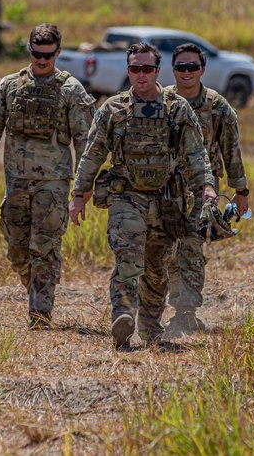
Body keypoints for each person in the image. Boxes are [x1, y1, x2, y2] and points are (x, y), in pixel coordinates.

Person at [69, 42, 216, 349]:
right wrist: (78, 193)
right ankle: (122, 315)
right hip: (127, 197)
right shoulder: (114, 109)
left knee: (157, 268)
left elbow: (195, 152)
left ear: (157, 71)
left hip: (166, 201)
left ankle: (150, 326)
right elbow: (93, 153)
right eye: (135, 69)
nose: (141, 75)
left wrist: (207, 186)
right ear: (129, 71)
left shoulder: (177, 108)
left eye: (147, 69)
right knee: (128, 257)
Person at [0, 23, 96, 329]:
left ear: (58, 52)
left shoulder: (70, 90)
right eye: (37, 53)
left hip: (54, 181)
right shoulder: (10, 86)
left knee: (44, 246)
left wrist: (83, 186)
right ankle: (38, 289)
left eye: (48, 55)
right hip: (17, 181)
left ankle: (40, 313)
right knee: (17, 249)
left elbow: (84, 141)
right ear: (30, 50)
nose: (42, 60)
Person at [164, 43, 249, 333]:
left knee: (191, 248)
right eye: (180, 67)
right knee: (164, 250)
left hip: (202, 191)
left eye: (192, 67)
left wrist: (241, 191)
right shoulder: (160, 102)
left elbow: (231, 151)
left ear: (202, 69)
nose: (186, 72)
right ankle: (157, 306)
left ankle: (185, 311)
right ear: (172, 69)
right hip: (163, 190)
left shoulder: (218, 106)